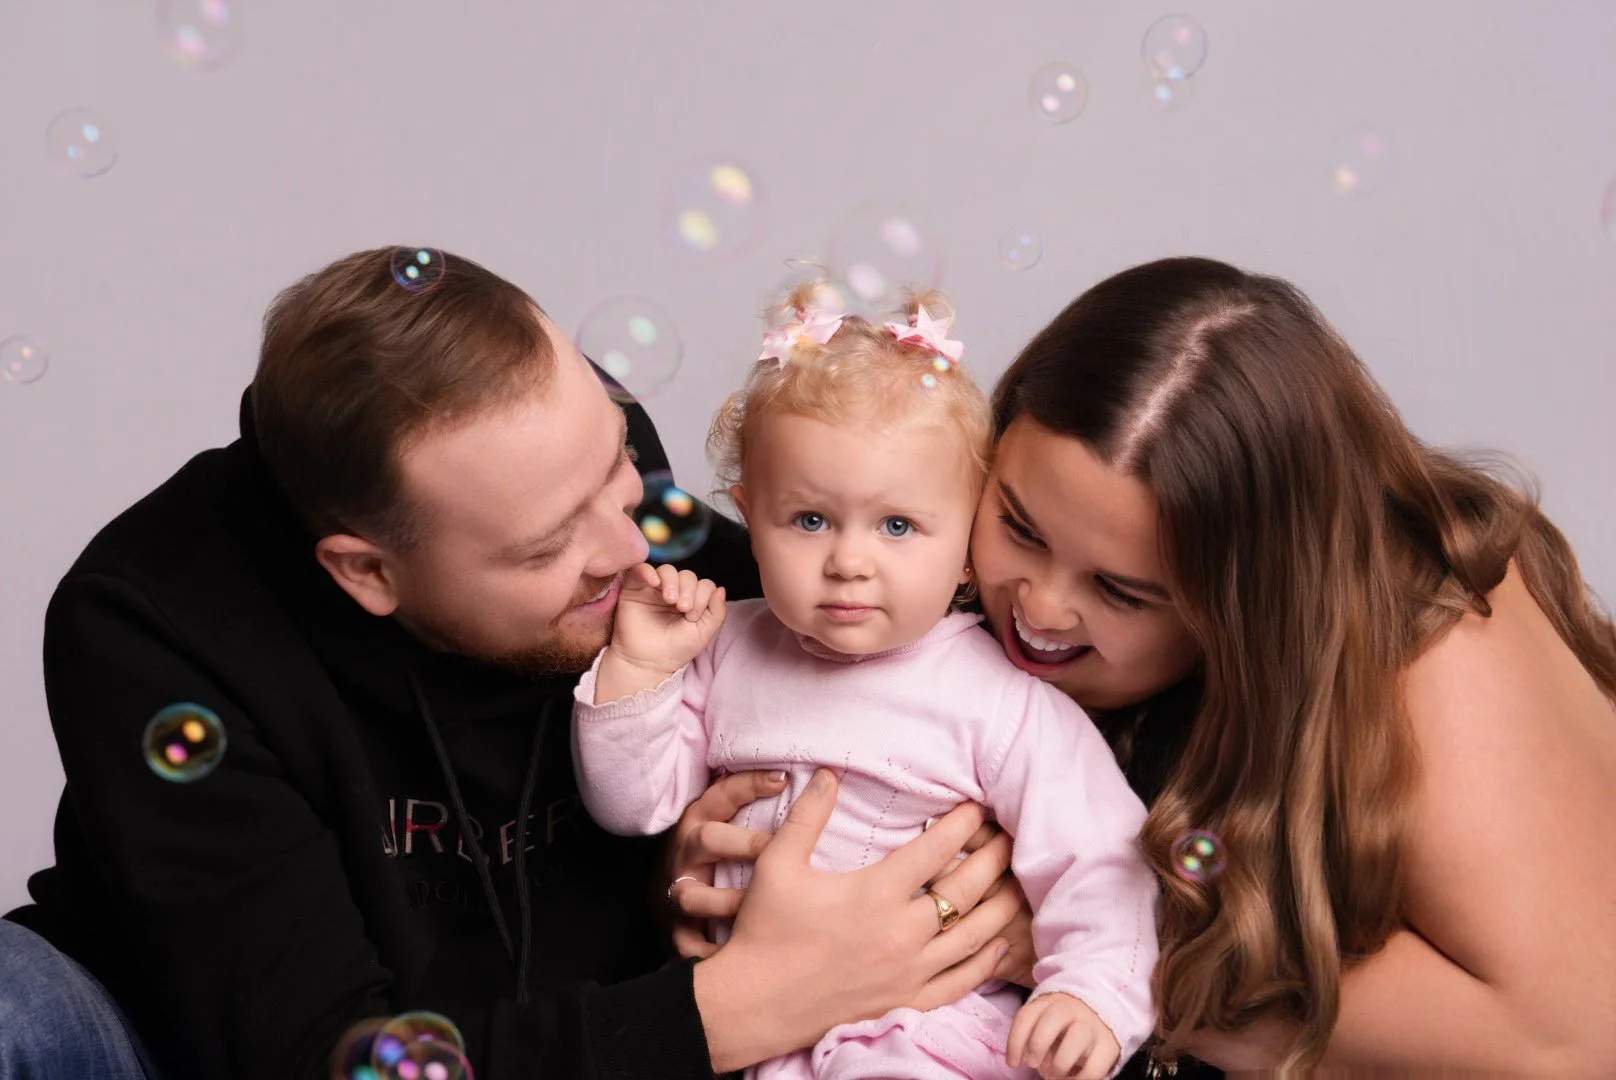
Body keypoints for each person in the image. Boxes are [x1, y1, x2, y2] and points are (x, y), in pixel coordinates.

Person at [0, 248, 1032, 1080]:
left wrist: (694, 866)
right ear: (367, 573)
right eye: (546, 549)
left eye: (618, 462)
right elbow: (317, 1053)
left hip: (600, 1024)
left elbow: (880, 664)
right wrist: (758, 1000)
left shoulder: (585, 485)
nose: (633, 551)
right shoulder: (155, 622)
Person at [669, 256, 1616, 1074]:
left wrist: (1090, 956)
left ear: (1251, 606)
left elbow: (1565, 1039)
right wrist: (742, 841)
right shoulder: (925, 578)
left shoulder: (1438, 634)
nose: (1037, 605)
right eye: (1018, 527)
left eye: (1123, 591)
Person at [573, 287, 1159, 1080]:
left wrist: (1094, 996)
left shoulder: (999, 703)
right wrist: (639, 672)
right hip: (755, 1031)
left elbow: (1100, 861)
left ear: (966, 550)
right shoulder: (723, 648)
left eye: (897, 526)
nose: (851, 561)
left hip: (921, 1036)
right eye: (809, 520)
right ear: (751, 513)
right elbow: (633, 805)